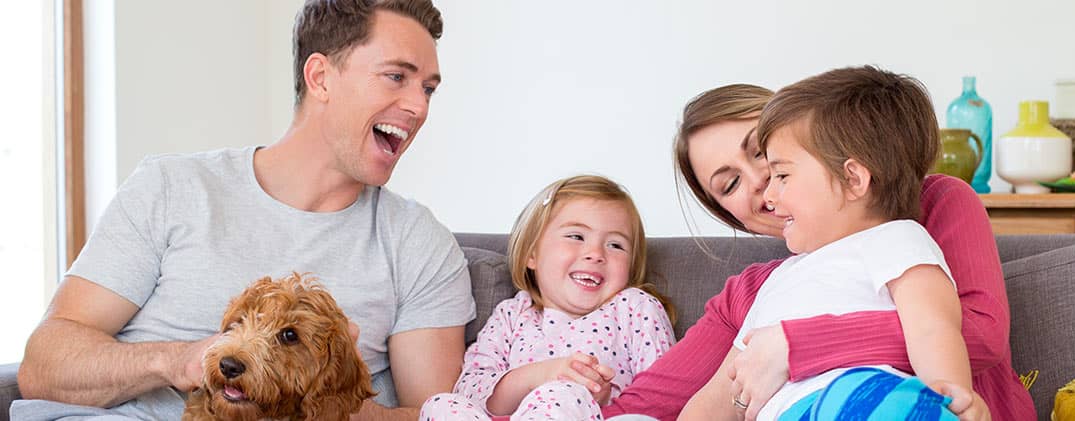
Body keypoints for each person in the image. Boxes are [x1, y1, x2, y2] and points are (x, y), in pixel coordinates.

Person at [14, 1, 468, 419]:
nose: (419, 106)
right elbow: (42, 366)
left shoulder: (417, 244)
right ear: (320, 77)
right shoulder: (171, 187)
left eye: (428, 89)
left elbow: (441, 415)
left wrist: (320, 399)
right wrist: (180, 360)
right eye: (396, 77)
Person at [600, 79, 1037, 420]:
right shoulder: (760, 290)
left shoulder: (925, 208)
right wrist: (564, 387)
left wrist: (795, 346)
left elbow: (977, 335)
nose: (760, 181)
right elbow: (654, 406)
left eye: (766, 155)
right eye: (729, 184)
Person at [679, 65, 967, 419]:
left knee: (870, 398)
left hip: (860, 399)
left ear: (853, 179)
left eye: (782, 175)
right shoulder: (776, 281)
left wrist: (953, 395)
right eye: (730, 184)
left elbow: (931, 326)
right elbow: (723, 392)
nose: (767, 191)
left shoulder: (896, 238)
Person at [420, 175, 676, 421]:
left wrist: (601, 399)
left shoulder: (636, 307)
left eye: (616, 245)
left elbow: (665, 396)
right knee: (441, 404)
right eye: (576, 236)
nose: (596, 254)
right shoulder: (513, 314)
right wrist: (539, 375)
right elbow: (471, 390)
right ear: (532, 254)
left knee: (562, 394)